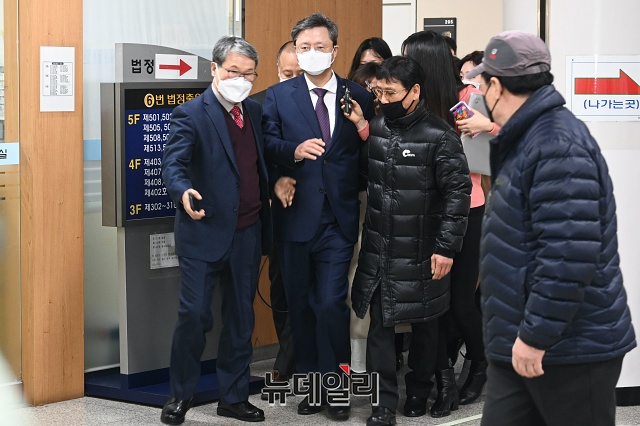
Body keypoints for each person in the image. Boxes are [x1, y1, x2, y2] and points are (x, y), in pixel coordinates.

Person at [466, 31, 637, 426]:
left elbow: (568, 256)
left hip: (568, 349)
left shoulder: (557, 145)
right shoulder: (526, 137)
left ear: (497, 87)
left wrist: (535, 336)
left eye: (482, 84)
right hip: (520, 340)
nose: (479, 94)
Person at [262, 12, 375, 421]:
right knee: (301, 307)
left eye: (319, 46)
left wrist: (363, 127)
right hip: (294, 217)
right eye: (304, 47)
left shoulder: (358, 96)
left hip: (338, 218)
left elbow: (370, 153)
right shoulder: (278, 96)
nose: (311, 53)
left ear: (335, 50)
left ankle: (338, 388)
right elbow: (266, 144)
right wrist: (291, 154)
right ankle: (313, 387)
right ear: (295, 50)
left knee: (330, 303)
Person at [351, 55, 471, 426]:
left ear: (414, 91)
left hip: (423, 250)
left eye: (391, 93)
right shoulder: (377, 127)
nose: (383, 99)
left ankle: (419, 390)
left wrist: (446, 247)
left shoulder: (440, 135)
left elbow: (458, 195)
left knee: (426, 325)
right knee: (380, 327)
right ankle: (382, 405)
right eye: (379, 92)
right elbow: (365, 178)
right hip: (379, 248)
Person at [160, 36, 271, 424]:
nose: (241, 80)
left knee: (241, 318)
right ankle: (180, 395)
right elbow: (173, 163)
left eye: (248, 74)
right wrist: (181, 191)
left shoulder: (253, 111)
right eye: (233, 71)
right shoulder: (191, 113)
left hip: (247, 231)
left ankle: (233, 397)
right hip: (204, 230)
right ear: (215, 69)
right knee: (194, 316)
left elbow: (259, 161)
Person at [402, 30, 496, 417]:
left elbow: (498, 148)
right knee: (431, 307)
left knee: (460, 303)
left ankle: (480, 363)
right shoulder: (412, 100)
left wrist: (487, 126)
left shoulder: (467, 99)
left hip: (468, 209)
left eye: (409, 56)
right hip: (423, 212)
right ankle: (444, 380)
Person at [250, 40, 302, 391]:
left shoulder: (323, 102)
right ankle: (288, 353)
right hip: (276, 211)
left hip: (317, 208)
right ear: (276, 71)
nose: (293, 79)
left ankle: (292, 359)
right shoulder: (257, 104)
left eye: (300, 73)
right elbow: (252, 160)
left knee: (312, 291)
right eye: (287, 73)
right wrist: (273, 185)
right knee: (280, 288)